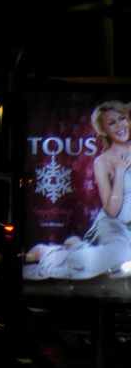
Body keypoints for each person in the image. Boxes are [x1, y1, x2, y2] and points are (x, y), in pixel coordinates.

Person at [24, 100, 131, 280]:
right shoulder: (103, 162)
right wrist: (120, 172)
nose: (120, 125)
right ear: (103, 130)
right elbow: (112, 210)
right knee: (121, 253)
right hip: (113, 225)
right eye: (112, 123)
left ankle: (79, 247)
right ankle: (50, 254)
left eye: (122, 119)